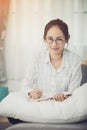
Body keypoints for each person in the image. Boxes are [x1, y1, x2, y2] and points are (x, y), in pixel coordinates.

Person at [8, 18, 82, 124]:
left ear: (67, 39)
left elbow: (74, 92)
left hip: (63, 107)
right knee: (13, 115)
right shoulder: (37, 57)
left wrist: (63, 94)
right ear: (44, 39)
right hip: (40, 106)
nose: (54, 44)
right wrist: (31, 92)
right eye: (50, 39)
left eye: (59, 39)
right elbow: (25, 85)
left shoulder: (75, 60)